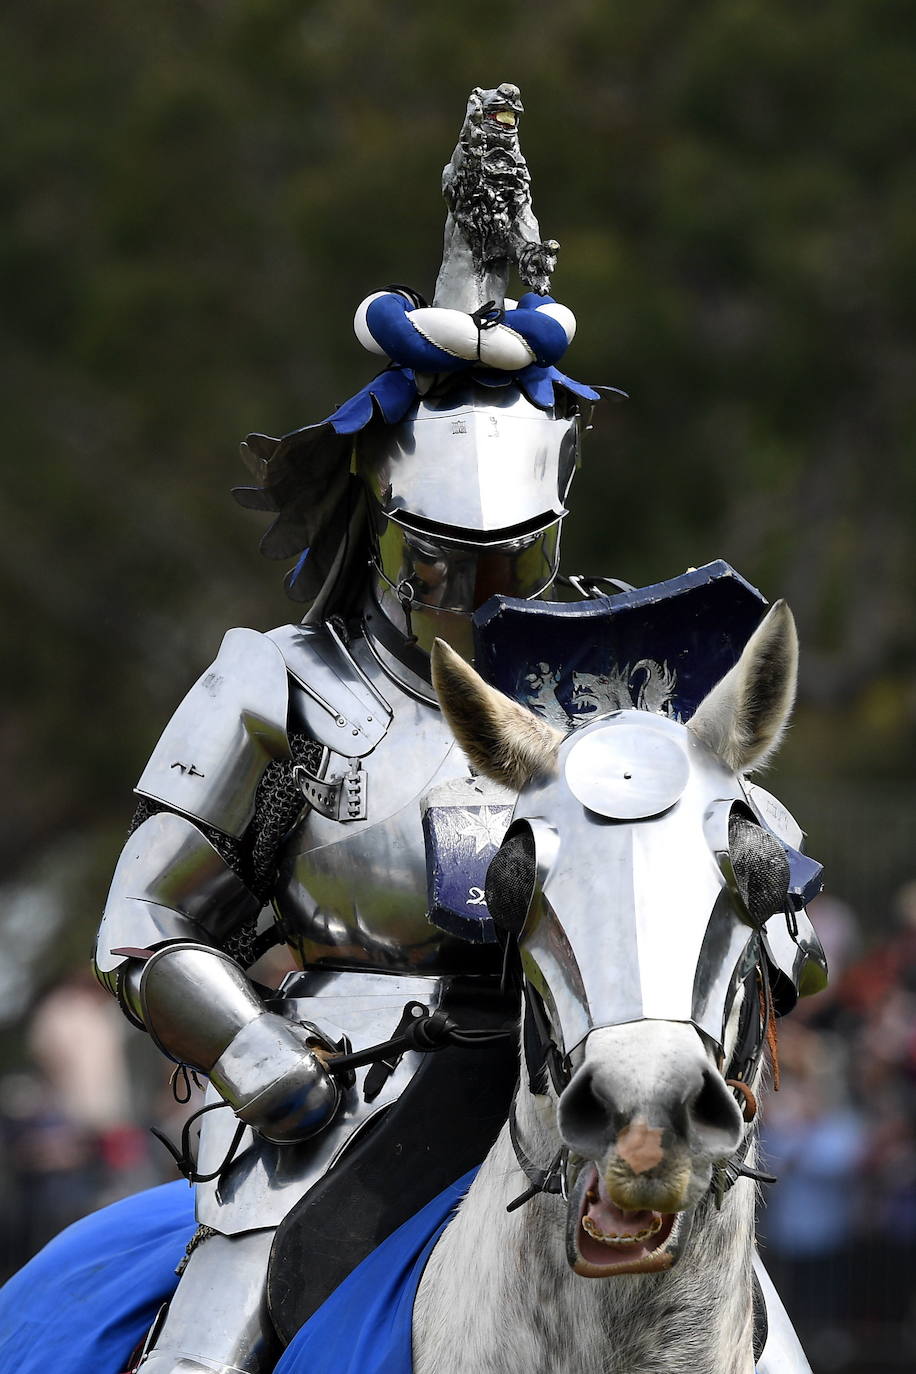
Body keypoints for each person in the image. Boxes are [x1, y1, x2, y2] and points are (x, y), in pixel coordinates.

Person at [23, 85, 825, 1373]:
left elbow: (748, 865)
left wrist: (767, 917)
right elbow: (143, 920)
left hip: (596, 1081)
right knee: (209, 1344)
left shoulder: (626, 693)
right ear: (388, 518)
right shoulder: (282, 685)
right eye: (450, 554)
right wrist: (263, 1060)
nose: (483, 588)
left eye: (517, 556)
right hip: (340, 1101)